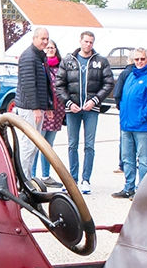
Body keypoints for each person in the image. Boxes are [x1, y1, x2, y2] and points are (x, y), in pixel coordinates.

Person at [56, 30, 114, 194]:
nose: (88, 44)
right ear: (80, 41)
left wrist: (95, 100)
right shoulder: (68, 61)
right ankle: (72, 180)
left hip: (91, 109)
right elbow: (59, 84)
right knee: (72, 144)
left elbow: (108, 84)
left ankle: (86, 180)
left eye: (91, 42)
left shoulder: (101, 61)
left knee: (89, 145)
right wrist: (68, 102)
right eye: (86, 41)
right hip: (72, 109)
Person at [113, 48, 147, 198]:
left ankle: (143, 189)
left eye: (142, 59)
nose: (140, 62)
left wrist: (143, 116)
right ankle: (129, 187)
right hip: (127, 124)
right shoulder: (131, 75)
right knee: (127, 158)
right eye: (137, 59)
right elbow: (123, 96)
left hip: (141, 125)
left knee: (143, 159)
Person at [16, 27, 55, 179]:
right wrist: (36, 108)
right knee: (28, 145)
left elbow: (45, 83)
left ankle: (26, 178)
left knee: (33, 146)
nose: (45, 42)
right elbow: (28, 85)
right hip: (29, 108)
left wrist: (49, 106)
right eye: (42, 39)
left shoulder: (39, 56)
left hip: (37, 107)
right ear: (34, 38)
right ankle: (23, 180)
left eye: (47, 39)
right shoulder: (29, 57)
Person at [28, 40, 66, 182]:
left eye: (52, 47)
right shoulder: (40, 65)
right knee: (38, 143)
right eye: (48, 47)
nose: (50, 49)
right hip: (44, 110)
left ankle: (46, 174)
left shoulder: (61, 67)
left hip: (57, 110)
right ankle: (32, 174)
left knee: (49, 146)